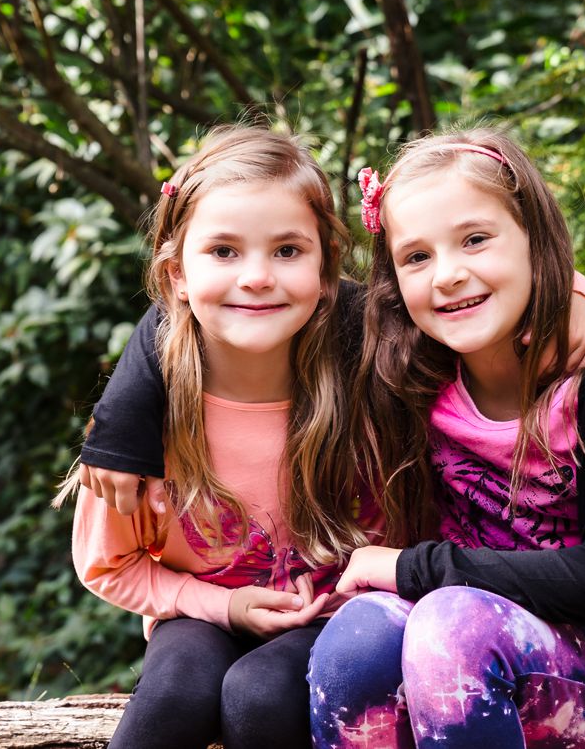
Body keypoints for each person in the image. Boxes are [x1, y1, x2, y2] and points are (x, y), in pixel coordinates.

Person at [307, 128, 585, 749]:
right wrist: (119, 429)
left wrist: (413, 567)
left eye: (475, 240)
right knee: (355, 640)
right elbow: (240, 304)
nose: (448, 275)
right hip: (455, 649)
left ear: (534, 241)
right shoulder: (407, 366)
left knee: (451, 622)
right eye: (417, 257)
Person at [55, 125, 371, 749]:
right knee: (177, 689)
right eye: (223, 251)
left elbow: (475, 312)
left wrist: (577, 295)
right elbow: (106, 564)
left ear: (326, 268)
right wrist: (224, 607)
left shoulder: (371, 381)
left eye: (287, 251)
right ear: (176, 273)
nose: (256, 277)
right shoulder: (142, 421)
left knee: (259, 694)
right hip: (201, 609)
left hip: (342, 618)